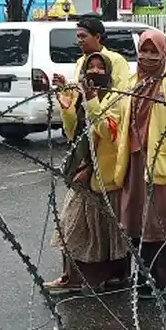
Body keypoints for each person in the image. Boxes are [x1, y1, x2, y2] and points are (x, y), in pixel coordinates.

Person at [119, 29, 166, 299]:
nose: (148, 57)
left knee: (158, 224)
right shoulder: (131, 82)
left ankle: (160, 281)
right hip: (134, 162)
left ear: (164, 54)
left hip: (161, 164)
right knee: (135, 221)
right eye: (144, 51)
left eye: (154, 52)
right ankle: (141, 278)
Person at [51, 52, 130, 291]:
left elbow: (108, 133)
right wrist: (67, 108)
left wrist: (93, 100)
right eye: (90, 67)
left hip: (105, 173)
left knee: (108, 233)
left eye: (100, 67)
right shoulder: (82, 97)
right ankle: (73, 278)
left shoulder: (118, 100)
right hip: (84, 170)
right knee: (75, 228)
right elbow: (74, 134)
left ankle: (113, 277)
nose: (95, 71)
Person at [53, 16, 130, 93]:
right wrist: (65, 86)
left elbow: (122, 94)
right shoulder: (80, 61)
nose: (79, 40)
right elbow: (80, 93)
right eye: (78, 36)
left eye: (83, 36)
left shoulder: (116, 60)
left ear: (97, 37)